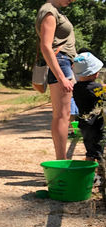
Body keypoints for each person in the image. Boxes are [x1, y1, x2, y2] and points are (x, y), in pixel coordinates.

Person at [35, 0, 77, 159]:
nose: (72, 0)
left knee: (63, 114)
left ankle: (62, 159)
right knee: (62, 115)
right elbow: (46, 46)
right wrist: (61, 77)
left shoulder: (53, 11)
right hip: (60, 62)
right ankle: (62, 160)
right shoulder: (49, 11)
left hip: (63, 62)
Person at [72, 52, 105, 162]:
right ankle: (100, 173)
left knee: (90, 150)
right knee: (99, 150)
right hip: (95, 125)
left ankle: (89, 171)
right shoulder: (96, 88)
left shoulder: (76, 87)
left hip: (84, 124)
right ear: (93, 73)